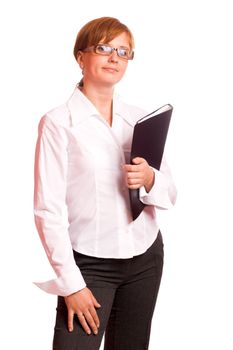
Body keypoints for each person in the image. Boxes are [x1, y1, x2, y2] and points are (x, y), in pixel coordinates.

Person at [34, 16, 177, 350]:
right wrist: (71, 285)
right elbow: (47, 211)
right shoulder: (58, 124)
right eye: (104, 48)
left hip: (145, 259)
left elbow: (169, 192)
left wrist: (150, 178)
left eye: (124, 51)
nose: (115, 57)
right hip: (89, 266)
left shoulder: (140, 119)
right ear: (81, 57)